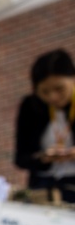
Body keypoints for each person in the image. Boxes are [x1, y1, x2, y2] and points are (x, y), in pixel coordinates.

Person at [14, 49, 75, 202]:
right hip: (42, 187)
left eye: (59, 88)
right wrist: (43, 157)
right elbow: (21, 158)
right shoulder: (30, 107)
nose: (52, 97)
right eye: (44, 91)